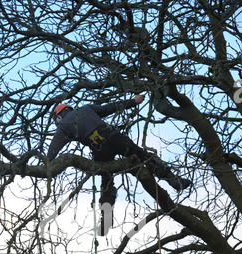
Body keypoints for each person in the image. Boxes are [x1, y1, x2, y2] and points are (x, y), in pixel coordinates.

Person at [46, 95, 192, 230]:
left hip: (99, 148)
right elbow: (110, 107)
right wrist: (133, 101)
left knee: (106, 180)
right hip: (115, 137)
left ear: (59, 117)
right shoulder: (86, 108)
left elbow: (53, 149)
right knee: (143, 156)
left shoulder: (64, 126)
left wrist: (47, 165)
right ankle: (174, 181)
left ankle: (106, 218)